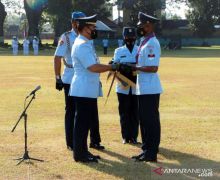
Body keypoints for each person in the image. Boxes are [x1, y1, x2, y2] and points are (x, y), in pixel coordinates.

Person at [69, 14, 129, 163]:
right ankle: (80, 154)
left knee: (85, 122)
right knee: (82, 123)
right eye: (93, 27)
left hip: (87, 88)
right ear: (85, 29)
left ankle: (83, 151)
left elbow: (94, 64)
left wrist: (109, 65)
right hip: (83, 88)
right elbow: (93, 67)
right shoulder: (82, 44)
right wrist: (112, 66)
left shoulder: (86, 42)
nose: (95, 30)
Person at [132, 12, 163, 162]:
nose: (140, 28)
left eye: (141, 25)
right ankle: (145, 149)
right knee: (143, 120)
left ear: (149, 25)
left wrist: (134, 67)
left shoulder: (152, 43)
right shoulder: (144, 40)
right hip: (143, 87)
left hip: (150, 88)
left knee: (150, 121)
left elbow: (153, 68)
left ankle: (151, 152)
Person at [54, 11, 87, 151]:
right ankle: (71, 142)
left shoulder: (86, 35)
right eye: (80, 21)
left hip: (84, 78)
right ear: (73, 22)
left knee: (83, 111)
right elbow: (57, 57)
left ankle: (81, 141)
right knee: (71, 110)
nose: (83, 24)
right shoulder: (66, 37)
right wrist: (57, 78)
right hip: (70, 78)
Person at [113, 27, 139, 144]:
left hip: (136, 86)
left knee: (135, 112)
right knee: (123, 112)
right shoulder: (118, 51)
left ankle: (134, 136)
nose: (130, 39)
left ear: (135, 37)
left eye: (132, 36)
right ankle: (125, 136)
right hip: (122, 86)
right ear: (124, 37)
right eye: (128, 37)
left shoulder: (139, 50)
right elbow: (114, 66)